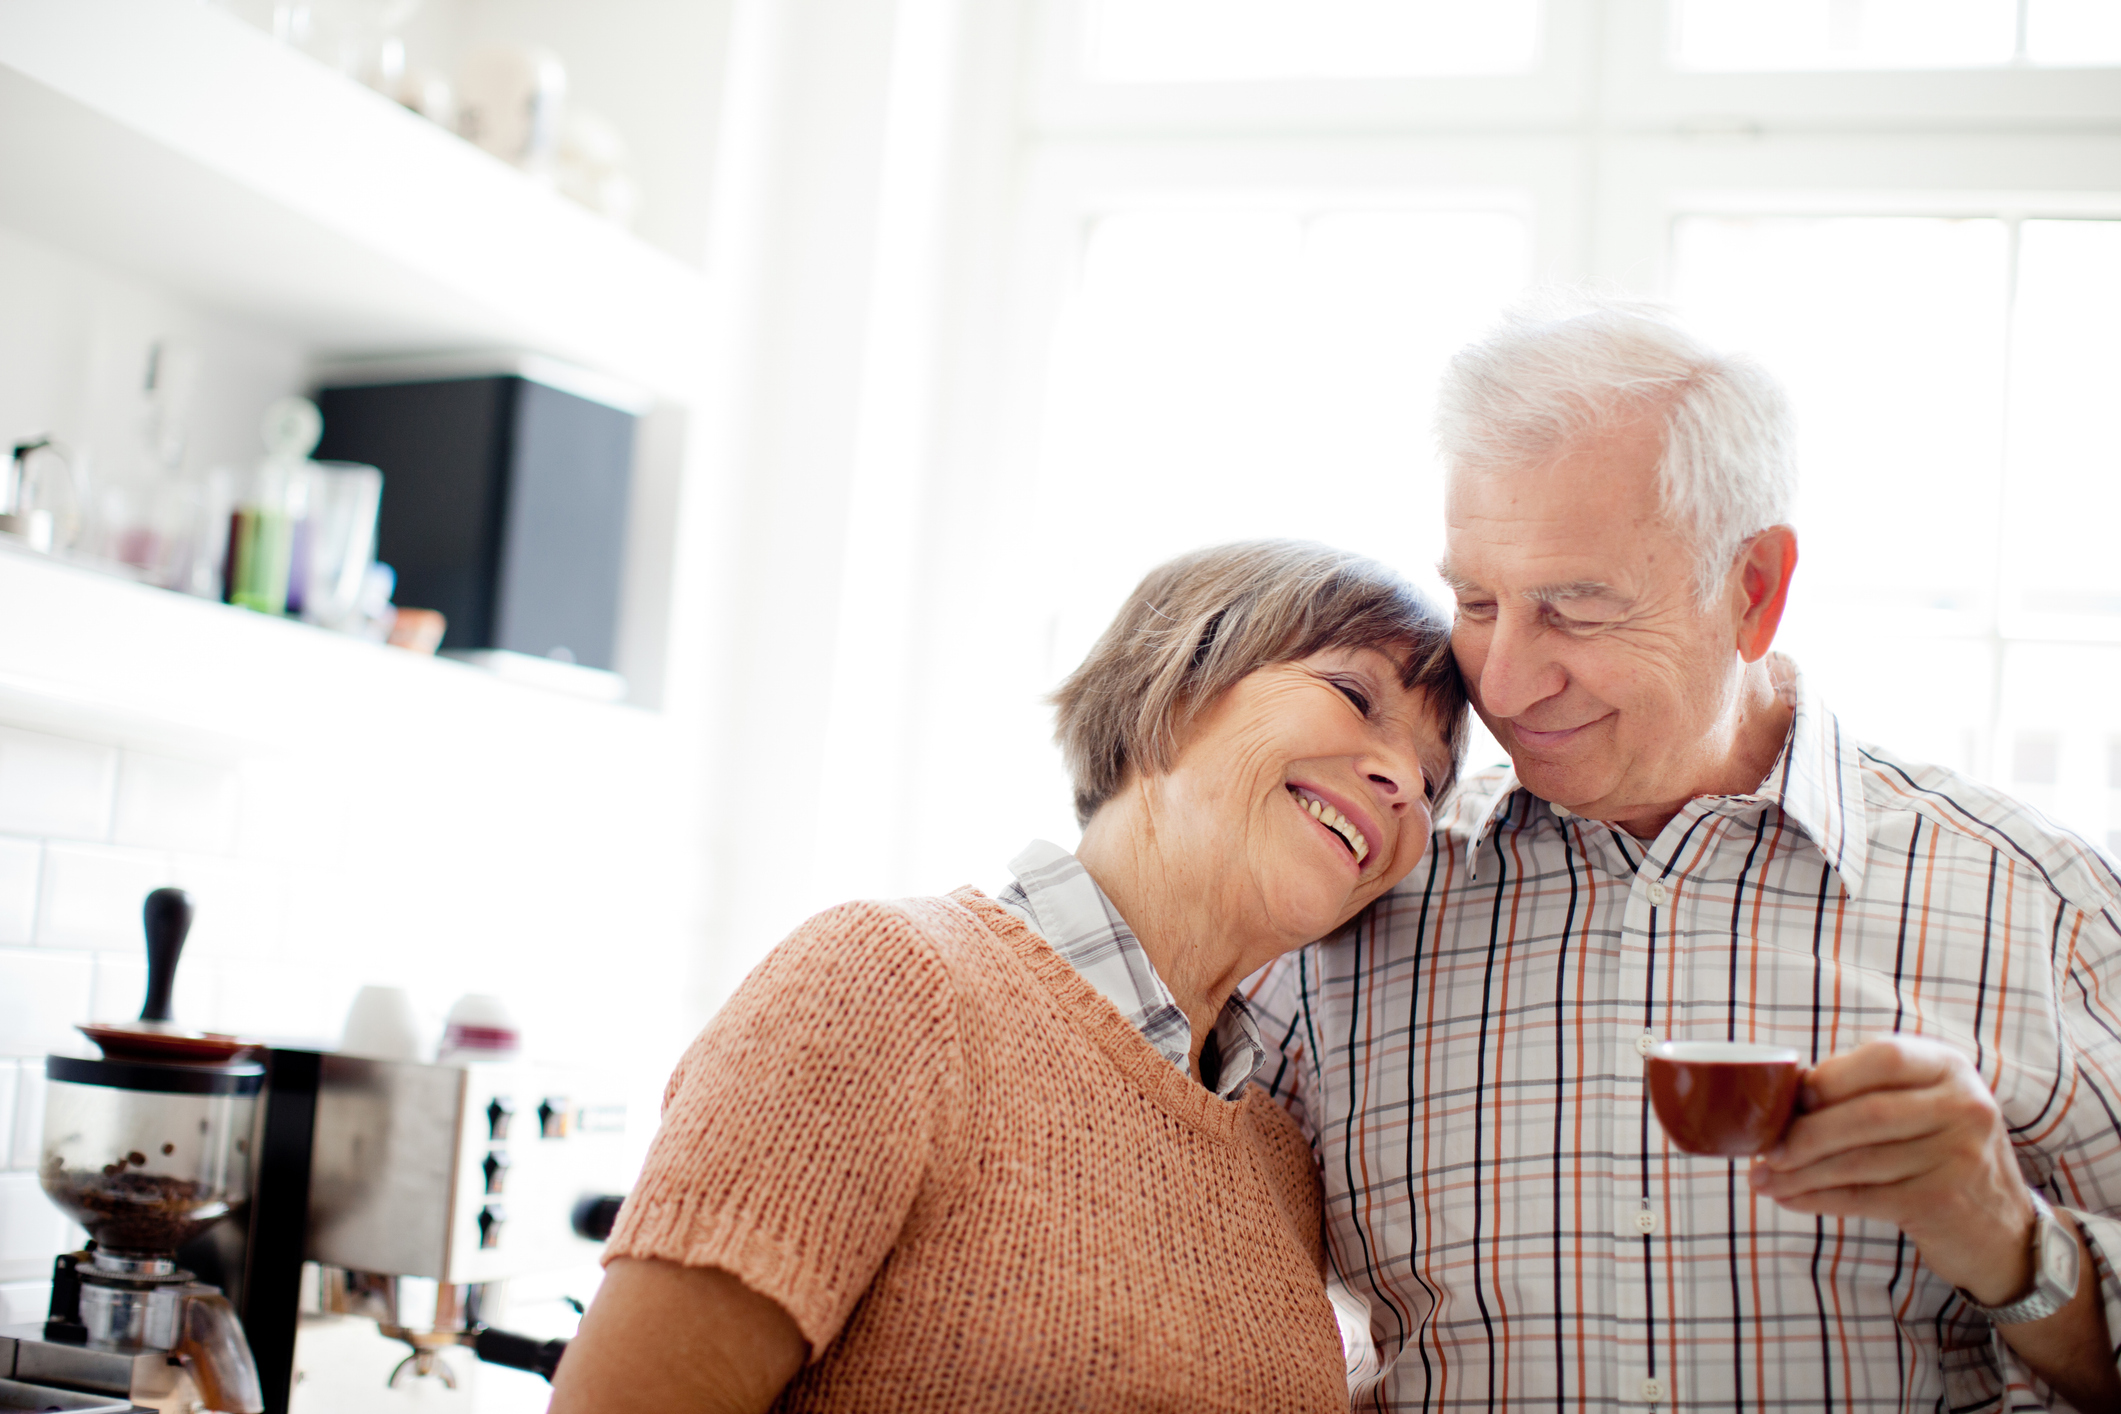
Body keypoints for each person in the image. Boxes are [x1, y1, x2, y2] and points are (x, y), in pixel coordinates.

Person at [1251, 295, 2121, 1412]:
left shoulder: (2038, 903)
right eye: (1475, 600)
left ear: (1752, 590)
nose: (1503, 685)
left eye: (1577, 609)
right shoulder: (1357, 892)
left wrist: (2011, 1241)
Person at [550, 540, 1467, 1414]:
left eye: (1431, 782)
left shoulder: (1273, 1157)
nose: (1399, 779)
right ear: (1176, 687)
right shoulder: (890, 980)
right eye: (1353, 693)